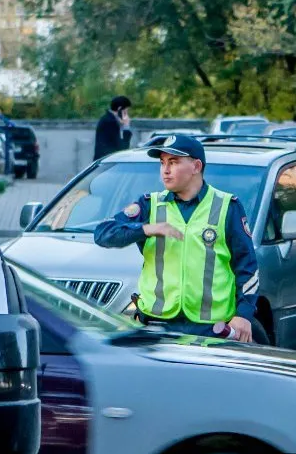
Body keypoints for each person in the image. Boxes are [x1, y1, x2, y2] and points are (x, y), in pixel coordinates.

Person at [93, 134, 259, 341]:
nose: (165, 170)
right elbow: (102, 234)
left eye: (174, 162)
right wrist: (146, 229)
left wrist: (243, 315)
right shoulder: (150, 204)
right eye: (162, 163)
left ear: (196, 166)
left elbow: (248, 267)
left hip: (210, 329)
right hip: (156, 325)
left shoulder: (227, 206)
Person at [94, 96, 133, 160]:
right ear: (119, 109)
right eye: (125, 111)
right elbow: (122, 148)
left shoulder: (106, 118)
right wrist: (126, 127)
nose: (126, 115)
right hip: (107, 162)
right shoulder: (111, 122)